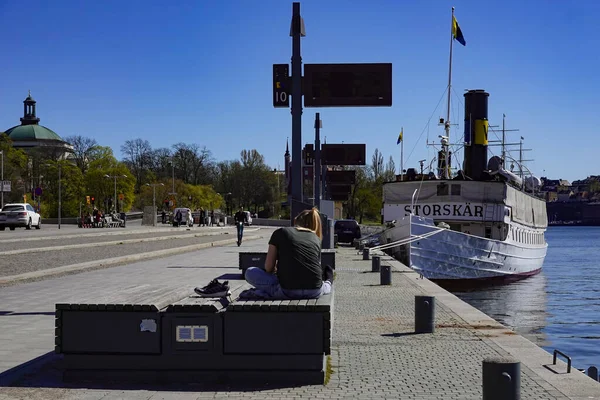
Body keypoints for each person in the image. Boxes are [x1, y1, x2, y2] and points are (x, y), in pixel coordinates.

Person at [244, 207, 333, 299]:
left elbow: (268, 267)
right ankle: (328, 282)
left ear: (295, 221)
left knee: (250, 272)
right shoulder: (315, 238)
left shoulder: (280, 232)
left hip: (288, 291)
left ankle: (266, 292)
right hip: (315, 291)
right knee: (324, 287)